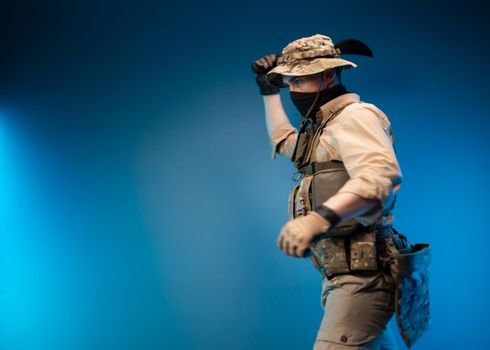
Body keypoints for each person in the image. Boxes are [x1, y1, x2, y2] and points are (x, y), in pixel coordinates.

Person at [251, 34, 430, 349]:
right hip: (340, 275)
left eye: (300, 81)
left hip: (364, 277)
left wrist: (317, 220)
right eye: (289, 82)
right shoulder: (323, 128)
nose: (294, 90)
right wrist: (268, 91)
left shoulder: (355, 117)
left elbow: (379, 177)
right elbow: (283, 140)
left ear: (327, 75)